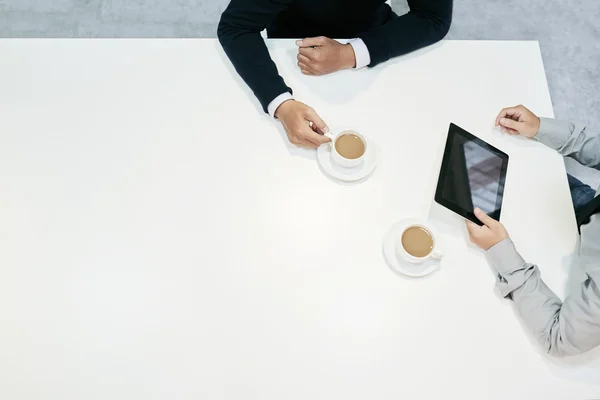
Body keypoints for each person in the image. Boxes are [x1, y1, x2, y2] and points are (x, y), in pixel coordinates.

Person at [218, 0, 453, 148]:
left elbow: (433, 18)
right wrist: (280, 103)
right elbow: (236, 26)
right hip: (292, 43)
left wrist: (350, 54)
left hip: (375, 38)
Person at [466, 104, 600, 357]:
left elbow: (557, 337)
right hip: (586, 208)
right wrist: (542, 128)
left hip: (575, 269)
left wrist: (501, 252)